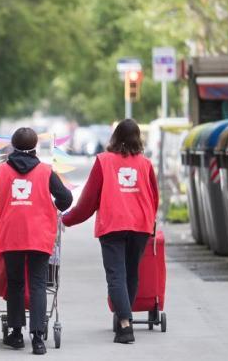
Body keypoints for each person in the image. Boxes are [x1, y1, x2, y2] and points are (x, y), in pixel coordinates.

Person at [0, 127, 72, 355]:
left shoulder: (0, 172)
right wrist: (52, 208)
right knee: (38, 283)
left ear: (13, 146)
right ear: (35, 147)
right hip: (40, 234)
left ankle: (16, 334)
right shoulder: (45, 171)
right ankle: (38, 339)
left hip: (11, 235)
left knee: (16, 283)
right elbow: (66, 199)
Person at [62, 119, 158, 344]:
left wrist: (67, 219)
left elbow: (88, 200)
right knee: (131, 273)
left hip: (113, 224)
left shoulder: (104, 161)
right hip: (140, 225)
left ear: (114, 137)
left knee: (116, 274)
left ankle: (125, 325)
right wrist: (150, 221)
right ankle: (124, 318)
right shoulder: (145, 164)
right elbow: (154, 197)